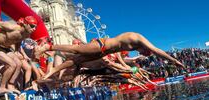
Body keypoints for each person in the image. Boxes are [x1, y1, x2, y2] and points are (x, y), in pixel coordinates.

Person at [35, 32, 185, 80]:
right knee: (77, 50)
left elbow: (121, 57)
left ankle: (52, 72)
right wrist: (174, 60)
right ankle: (48, 47)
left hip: (103, 51)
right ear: (145, 49)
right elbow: (158, 51)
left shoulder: (133, 46)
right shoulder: (139, 39)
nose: (140, 53)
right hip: (102, 45)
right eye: (143, 52)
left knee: (76, 61)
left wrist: (131, 64)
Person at [0, 16, 37, 94]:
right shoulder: (11, 27)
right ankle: (2, 88)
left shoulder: (27, 34)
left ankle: (11, 85)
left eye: (35, 27)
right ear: (25, 24)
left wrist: (16, 51)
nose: (34, 29)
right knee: (12, 65)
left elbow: (18, 40)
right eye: (32, 26)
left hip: (5, 49)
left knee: (19, 64)